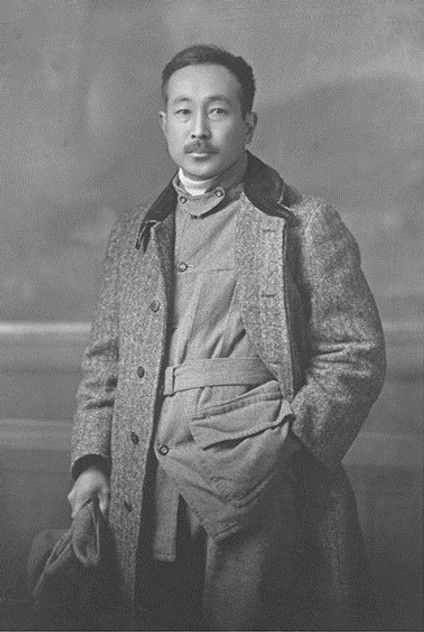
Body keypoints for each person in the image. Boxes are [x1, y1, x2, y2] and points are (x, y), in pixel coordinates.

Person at [68, 44, 386, 631]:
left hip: (265, 492)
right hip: (147, 488)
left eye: (217, 111)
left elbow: (355, 354)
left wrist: (282, 447)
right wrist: (92, 465)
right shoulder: (135, 234)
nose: (199, 129)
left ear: (248, 123)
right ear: (164, 123)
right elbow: (104, 363)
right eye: (183, 111)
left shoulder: (301, 223)